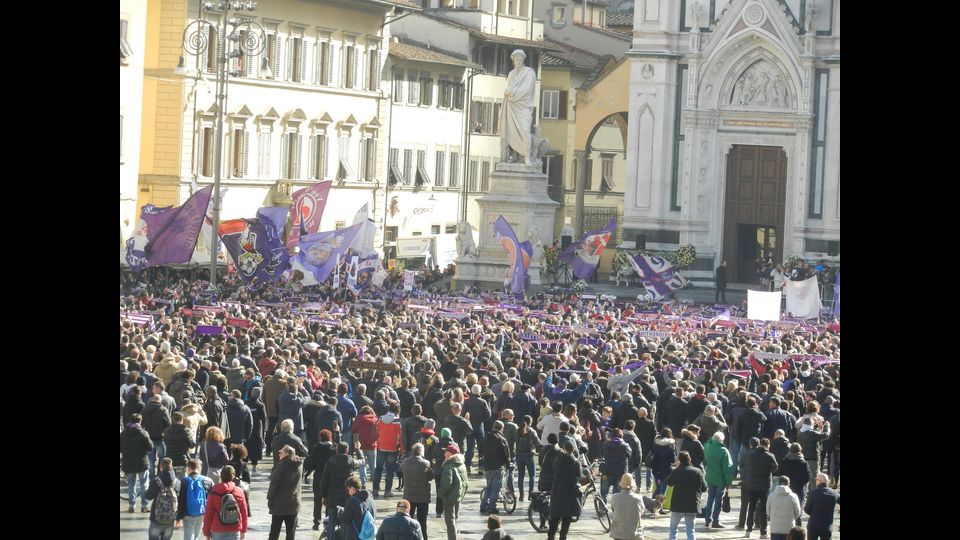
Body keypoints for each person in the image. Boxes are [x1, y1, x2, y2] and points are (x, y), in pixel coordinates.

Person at [500, 49, 537, 166]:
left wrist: (511, 92)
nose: (518, 62)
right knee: (512, 131)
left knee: (525, 131)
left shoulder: (529, 73)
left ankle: (527, 157)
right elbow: (506, 89)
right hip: (512, 106)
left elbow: (526, 90)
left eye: (520, 60)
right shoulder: (511, 74)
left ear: (523, 60)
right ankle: (515, 156)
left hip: (524, 106)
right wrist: (509, 92)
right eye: (516, 60)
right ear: (513, 61)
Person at [318, 442, 360, 537]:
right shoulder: (351, 461)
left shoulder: (330, 461)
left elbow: (324, 480)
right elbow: (362, 461)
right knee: (345, 521)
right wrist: (358, 449)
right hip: (347, 496)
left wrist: (323, 496)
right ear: (347, 450)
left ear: (337, 450)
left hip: (332, 497)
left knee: (331, 522)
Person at [664, 451, 707, 540]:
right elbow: (704, 488)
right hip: (692, 504)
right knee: (690, 530)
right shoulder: (698, 471)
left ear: (679, 460)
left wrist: (677, 468)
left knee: (673, 529)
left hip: (677, 505)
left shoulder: (676, 471)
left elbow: (668, 482)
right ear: (689, 459)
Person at [742, 438, 778, 538]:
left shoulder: (752, 455)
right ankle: (763, 532)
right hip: (765, 485)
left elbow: (748, 466)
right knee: (764, 510)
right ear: (768, 445)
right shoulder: (770, 456)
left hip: (752, 485)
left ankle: (748, 531)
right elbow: (775, 467)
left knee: (751, 508)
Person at [202, 464, 249, 540]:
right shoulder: (239, 491)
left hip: (218, 530)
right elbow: (244, 512)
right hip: (235, 528)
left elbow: (208, 514)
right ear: (233, 476)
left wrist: (206, 532)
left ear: (221, 476)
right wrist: (243, 530)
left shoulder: (214, 492)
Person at [267, 444, 304, 540]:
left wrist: (269, 498)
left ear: (287, 454)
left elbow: (274, 484)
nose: (279, 454)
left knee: (274, 533)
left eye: (281, 452)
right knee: (291, 533)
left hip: (279, 504)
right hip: (294, 503)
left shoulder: (281, 466)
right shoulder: (299, 465)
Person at [121, 412, 154, 513]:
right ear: (140, 421)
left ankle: (132, 504)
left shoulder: (123, 433)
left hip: (128, 462)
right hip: (141, 462)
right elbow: (150, 447)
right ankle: (144, 505)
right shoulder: (143, 433)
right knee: (144, 484)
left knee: (131, 484)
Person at [548, 440, 582, 540]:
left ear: (564, 449)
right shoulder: (576, 462)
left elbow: (554, 470)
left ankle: (551, 536)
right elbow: (579, 476)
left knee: (555, 516)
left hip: (557, 491)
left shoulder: (557, 460)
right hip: (569, 492)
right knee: (566, 518)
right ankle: (563, 537)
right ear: (573, 450)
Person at [305, 429, 337, 531]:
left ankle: (316, 523)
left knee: (317, 501)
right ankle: (328, 523)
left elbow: (311, 464)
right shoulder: (334, 449)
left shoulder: (316, 448)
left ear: (320, 438)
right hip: (331, 479)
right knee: (330, 502)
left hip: (318, 478)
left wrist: (306, 474)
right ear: (330, 437)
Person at [401, 443, 434, 540]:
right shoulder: (426, 463)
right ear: (422, 452)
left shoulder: (405, 462)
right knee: (422, 521)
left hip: (408, 497)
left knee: (408, 520)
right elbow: (431, 476)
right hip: (422, 497)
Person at [177, 458, 214, 540]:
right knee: (196, 535)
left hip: (187, 514)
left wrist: (178, 517)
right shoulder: (208, 481)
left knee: (188, 536)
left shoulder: (182, 482)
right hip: (202, 513)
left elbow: (180, 501)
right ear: (199, 468)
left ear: (188, 469)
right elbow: (212, 499)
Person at [145, 458, 181, 540]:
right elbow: (178, 498)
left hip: (156, 518)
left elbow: (148, 496)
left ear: (161, 467)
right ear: (171, 467)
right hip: (170, 518)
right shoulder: (177, 482)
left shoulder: (156, 481)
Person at [481, 420, 511, 515]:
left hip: (487, 466)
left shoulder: (486, 437)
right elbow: (506, 454)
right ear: (501, 428)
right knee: (495, 489)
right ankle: (491, 508)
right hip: (498, 467)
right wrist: (508, 463)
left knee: (488, 488)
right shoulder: (501, 439)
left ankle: (483, 506)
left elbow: (481, 449)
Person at [777, 443, 811, 526]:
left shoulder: (785, 461)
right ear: (800, 451)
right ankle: (798, 531)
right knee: (798, 511)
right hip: (799, 489)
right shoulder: (804, 463)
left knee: (785, 510)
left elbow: (780, 474)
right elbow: (808, 477)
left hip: (786, 489)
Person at [702, 432, 732, 528]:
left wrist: (712, 438)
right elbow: (727, 469)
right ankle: (716, 521)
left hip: (710, 477)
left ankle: (707, 519)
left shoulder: (708, 447)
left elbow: (706, 442)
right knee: (718, 500)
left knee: (710, 499)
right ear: (722, 440)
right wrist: (728, 482)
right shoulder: (724, 451)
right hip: (720, 479)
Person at [439, 443, 468, 540]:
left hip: (449, 497)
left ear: (450, 454)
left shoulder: (449, 466)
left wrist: (440, 493)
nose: (444, 454)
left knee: (450, 521)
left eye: (446, 452)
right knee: (455, 518)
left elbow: (447, 483)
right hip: (458, 495)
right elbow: (466, 481)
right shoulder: (462, 464)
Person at [375, 402, 404, 497]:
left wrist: (378, 442)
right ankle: (387, 491)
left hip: (381, 447)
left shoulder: (380, 419)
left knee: (378, 469)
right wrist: (401, 450)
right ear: (398, 410)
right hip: (393, 449)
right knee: (390, 471)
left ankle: (375, 490)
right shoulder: (398, 422)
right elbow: (400, 437)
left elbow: (376, 432)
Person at [143, 394, 172, 482]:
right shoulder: (163, 409)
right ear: (160, 401)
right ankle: (160, 474)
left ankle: (151, 477)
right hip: (160, 437)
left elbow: (141, 421)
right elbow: (168, 423)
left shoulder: (145, 409)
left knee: (151, 459)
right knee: (162, 457)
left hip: (148, 437)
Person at [609, 473, 645, 540]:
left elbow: (613, 509)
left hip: (618, 532)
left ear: (621, 485)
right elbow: (641, 511)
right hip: (634, 533)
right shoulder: (638, 498)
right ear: (633, 486)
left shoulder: (615, 496)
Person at [600, 428, 632, 503]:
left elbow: (602, 454)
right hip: (620, 471)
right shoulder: (625, 446)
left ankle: (602, 507)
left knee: (604, 492)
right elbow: (629, 454)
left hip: (607, 470)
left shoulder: (605, 444)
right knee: (617, 493)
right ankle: (616, 509)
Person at [804, 473, 839, 540]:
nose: (815, 481)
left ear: (819, 481)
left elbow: (806, 509)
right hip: (827, 525)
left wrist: (814, 513)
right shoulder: (835, 494)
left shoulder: (813, 493)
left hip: (813, 524)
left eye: (816, 480)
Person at [342, 475, 377, 540]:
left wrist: (341, 513)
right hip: (369, 536)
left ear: (352, 488)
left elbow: (345, 519)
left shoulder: (352, 500)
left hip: (356, 536)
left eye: (348, 489)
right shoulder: (371, 499)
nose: (348, 492)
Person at [515, 415, 540, 502]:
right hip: (529, 455)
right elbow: (538, 442)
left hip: (519, 455)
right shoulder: (532, 431)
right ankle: (530, 495)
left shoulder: (517, 430)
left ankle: (521, 495)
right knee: (532, 475)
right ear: (531, 422)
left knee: (520, 476)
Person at [767, 476, 802, 540]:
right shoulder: (793, 496)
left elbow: (768, 511)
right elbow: (798, 512)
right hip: (789, 528)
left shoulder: (771, 496)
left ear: (778, 483)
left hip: (775, 528)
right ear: (788, 484)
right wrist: (793, 518)